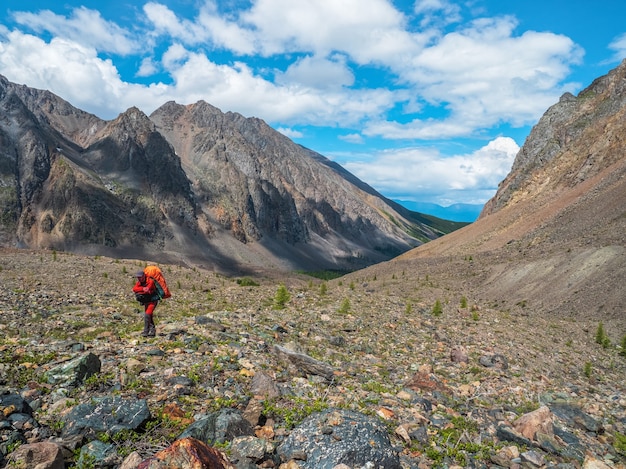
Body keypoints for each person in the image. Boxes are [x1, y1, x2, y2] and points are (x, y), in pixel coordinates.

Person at [132, 270, 158, 337]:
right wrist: (143, 289)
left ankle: (146, 332)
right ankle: (152, 331)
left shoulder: (150, 281)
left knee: (147, 315)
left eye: (140, 277)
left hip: (153, 300)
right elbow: (134, 289)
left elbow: (148, 289)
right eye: (138, 277)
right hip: (147, 301)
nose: (139, 278)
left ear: (144, 276)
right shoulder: (139, 282)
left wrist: (141, 289)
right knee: (149, 315)